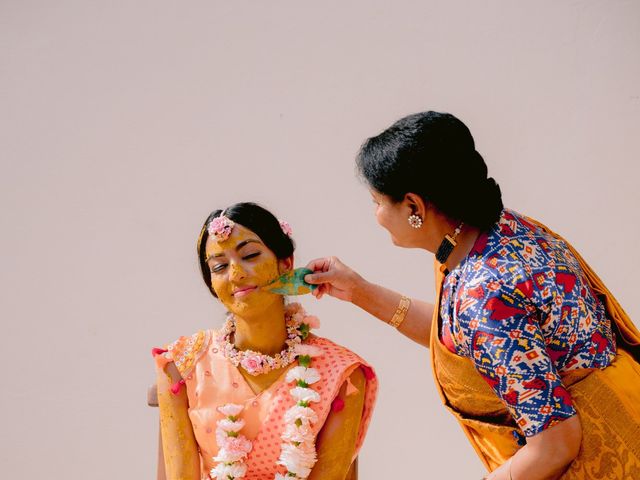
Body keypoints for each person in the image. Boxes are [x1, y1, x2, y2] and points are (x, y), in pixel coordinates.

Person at [304, 111, 640, 480]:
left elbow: (556, 443)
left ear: (413, 207)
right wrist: (360, 292)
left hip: (604, 460)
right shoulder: (500, 231)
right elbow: (465, 340)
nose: (376, 214)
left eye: (377, 202)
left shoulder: (483, 295)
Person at [152, 202, 377, 480]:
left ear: (287, 263)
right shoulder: (182, 364)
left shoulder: (341, 374)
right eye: (220, 266)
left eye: (250, 254)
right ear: (211, 283)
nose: (236, 274)